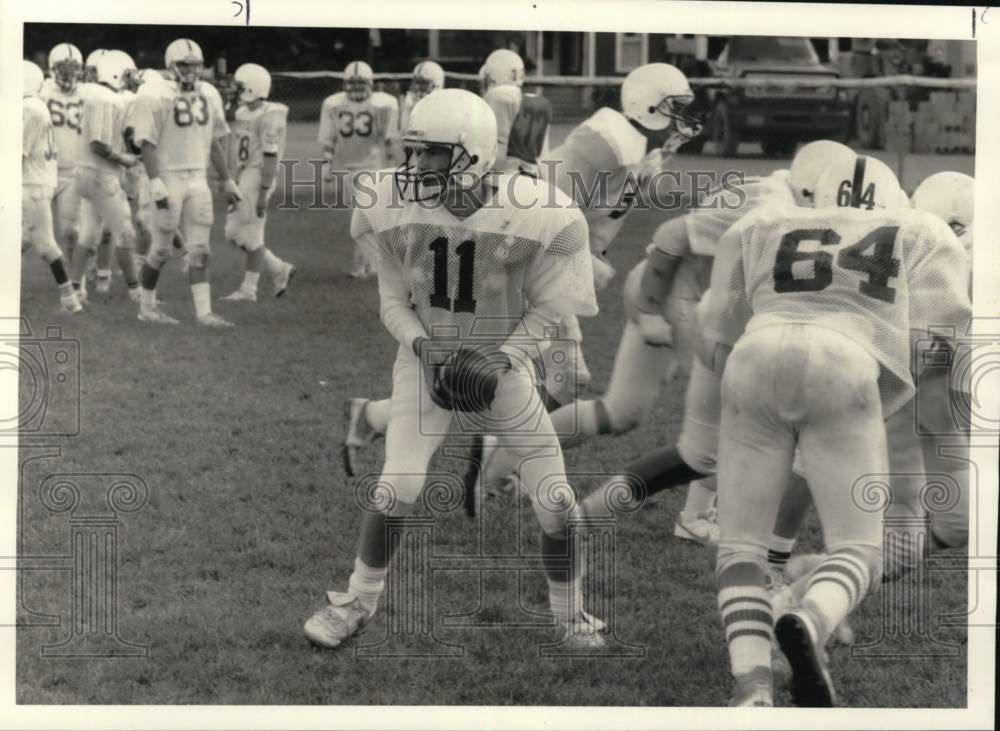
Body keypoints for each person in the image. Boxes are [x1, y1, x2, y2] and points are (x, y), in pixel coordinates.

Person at [303, 88, 604, 649]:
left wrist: (503, 358)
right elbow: (393, 301)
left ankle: (571, 617)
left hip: (501, 363)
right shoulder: (387, 201)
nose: (414, 166)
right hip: (425, 358)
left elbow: (552, 310)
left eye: (431, 154)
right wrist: (425, 349)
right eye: (413, 152)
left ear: (473, 154)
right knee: (398, 484)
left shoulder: (540, 212)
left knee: (556, 501)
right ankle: (357, 602)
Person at [703, 154, 970, 706]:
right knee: (858, 549)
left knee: (740, 548)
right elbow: (936, 346)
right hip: (844, 365)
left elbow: (720, 328)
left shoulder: (766, 222)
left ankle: (752, 688)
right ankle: (810, 615)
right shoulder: (920, 230)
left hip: (753, 356)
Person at [127, 38, 242, 326]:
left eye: (195, 65)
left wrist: (227, 179)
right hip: (168, 177)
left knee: (201, 249)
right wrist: (155, 181)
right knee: (162, 249)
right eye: (184, 65)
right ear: (170, 66)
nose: (191, 71)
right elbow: (146, 143)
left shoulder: (210, 94)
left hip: (197, 178)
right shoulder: (154, 94)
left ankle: (204, 313)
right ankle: (147, 307)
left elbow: (214, 141)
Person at [68, 50, 142, 303]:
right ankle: (136, 292)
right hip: (100, 174)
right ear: (116, 73)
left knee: (87, 234)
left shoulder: (92, 94)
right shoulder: (106, 99)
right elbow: (98, 144)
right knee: (125, 233)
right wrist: (124, 158)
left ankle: (75, 291)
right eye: (127, 74)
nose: (131, 79)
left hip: (84, 173)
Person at [219, 62, 296, 302]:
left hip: (258, 175)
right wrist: (232, 180)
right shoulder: (243, 113)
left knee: (252, 234)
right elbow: (238, 151)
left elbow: (270, 156)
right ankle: (279, 268)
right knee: (232, 233)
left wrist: (263, 191)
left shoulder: (270, 115)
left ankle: (249, 289)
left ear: (252, 88)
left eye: (240, 85)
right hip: (244, 174)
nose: (235, 89)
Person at [318, 60, 399, 277]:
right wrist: (326, 164)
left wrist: (391, 167)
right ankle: (374, 263)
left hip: (371, 168)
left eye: (360, 83)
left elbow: (388, 139)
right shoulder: (334, 105)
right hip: (347, 168)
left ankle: (362, 266)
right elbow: (330, 139)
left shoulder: (382, 106)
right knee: (364, 217)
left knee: (363, 216)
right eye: (352, 83)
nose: (356, 88)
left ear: (370, 84)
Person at [21, 60, 82, 314]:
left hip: (31, 183)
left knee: (46, 244)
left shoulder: (29, 108)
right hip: (39, 180)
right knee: (20, 241)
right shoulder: (36, 105)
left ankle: (70, 299)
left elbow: (18, 152)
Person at [40, 43, 85, 268]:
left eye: (73, 68)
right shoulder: (43, 93)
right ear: (52, 68)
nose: (68, 73)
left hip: (72, 171)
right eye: (63, 68)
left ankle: (78, 285)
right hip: (43, 170)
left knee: (71, 230)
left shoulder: (87, 94)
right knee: (28, 231)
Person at [480, 48, 552, 177]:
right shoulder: (540, 102)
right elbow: (544, 155)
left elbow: (498, 147)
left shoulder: (497, 97)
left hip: (505, 174)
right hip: (536, 174)